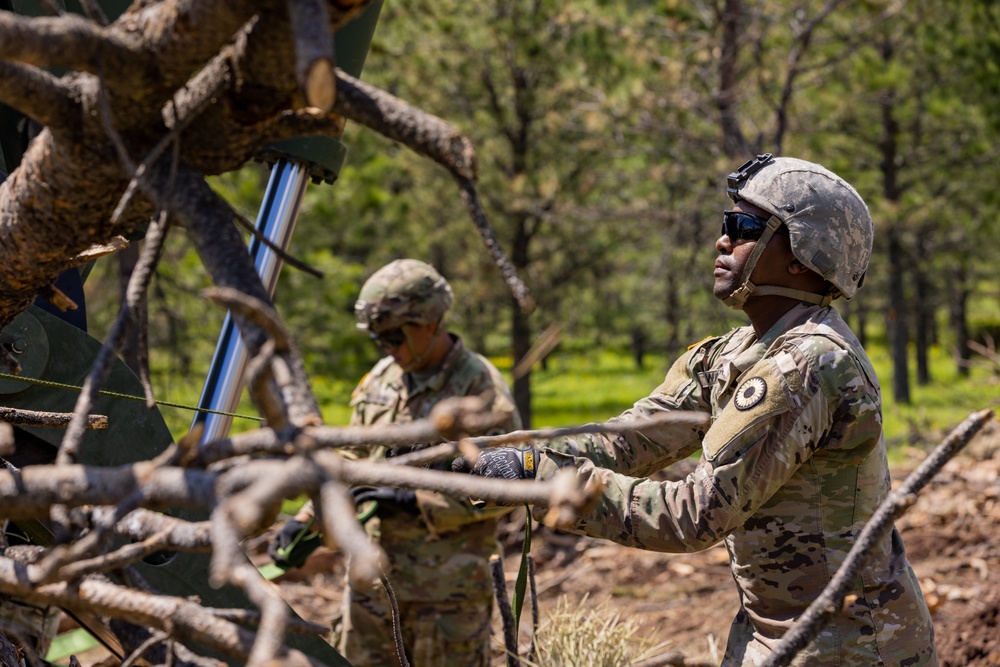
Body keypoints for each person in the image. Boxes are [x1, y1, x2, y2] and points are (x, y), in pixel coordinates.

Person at [454, 155, 938, 666]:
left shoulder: (808, 365)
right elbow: (630, 439)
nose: (721, 240)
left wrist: (547, 478)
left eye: (743, 226)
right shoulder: (736, 354)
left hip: (848, 648)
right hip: (775, 633)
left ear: (801, 255)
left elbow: (694, 516)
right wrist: (494, 458)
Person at [270, 259, 521, 667]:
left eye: (392, 336)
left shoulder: (480, 389)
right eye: (378, 340)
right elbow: (351, 461)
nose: (386, 348)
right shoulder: (382, 380)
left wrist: (414, 501)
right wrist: (307, 519)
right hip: (372, 588)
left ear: (430, 321)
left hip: (445, 598)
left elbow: (508, 489)